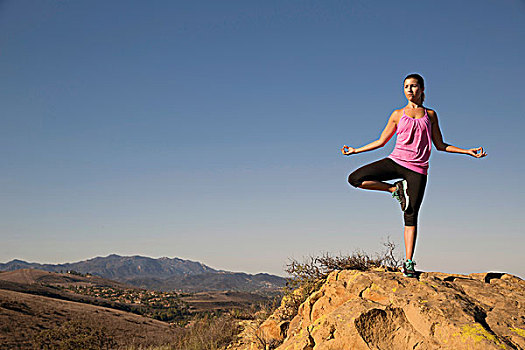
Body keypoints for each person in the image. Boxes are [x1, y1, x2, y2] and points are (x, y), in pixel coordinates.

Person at [341, 73, 486, 277]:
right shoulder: (397, 114)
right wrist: (356, 150)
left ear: (422, 89)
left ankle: (408, 262)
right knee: (355, 179)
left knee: (410, 215)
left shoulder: (431, 115)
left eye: (414, 86)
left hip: (417, 169)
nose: (410, 90)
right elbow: (381, 141)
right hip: (395, 161)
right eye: (406, 86)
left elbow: (440, 145)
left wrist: (467, 151)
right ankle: (395, 188)